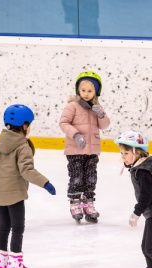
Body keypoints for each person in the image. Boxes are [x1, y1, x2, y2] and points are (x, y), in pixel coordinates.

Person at [0, 104, 56, 268]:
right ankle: (14, 264)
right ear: (25, 125)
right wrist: (45, 183)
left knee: (3, 227)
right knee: (18, 228)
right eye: (30, 125)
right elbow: (27, 170)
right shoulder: (22, 146)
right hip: (15, 196)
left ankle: (0, 264)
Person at [114, 130, 152, 268]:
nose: (123, 157)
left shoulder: (143, 171)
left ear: (137, 152)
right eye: (122, 153)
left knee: (150, 248)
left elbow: (145, 196)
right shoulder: (139, 168)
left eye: (126, 153)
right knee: (145, 247)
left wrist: (136, 213)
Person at [59, 70, 111, 223]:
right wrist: (75, 135)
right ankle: (75, 202)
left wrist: (101, 115)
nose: (86, 94)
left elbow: (104, 125)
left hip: (92, 150)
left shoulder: (96, 107)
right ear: (78, 90)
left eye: (90, 90)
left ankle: (88, 203)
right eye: (83, 90)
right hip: (75, 149)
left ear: (96, 91)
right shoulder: (72, 106)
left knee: (91, 178)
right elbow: (63, 123)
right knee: (76, 177)